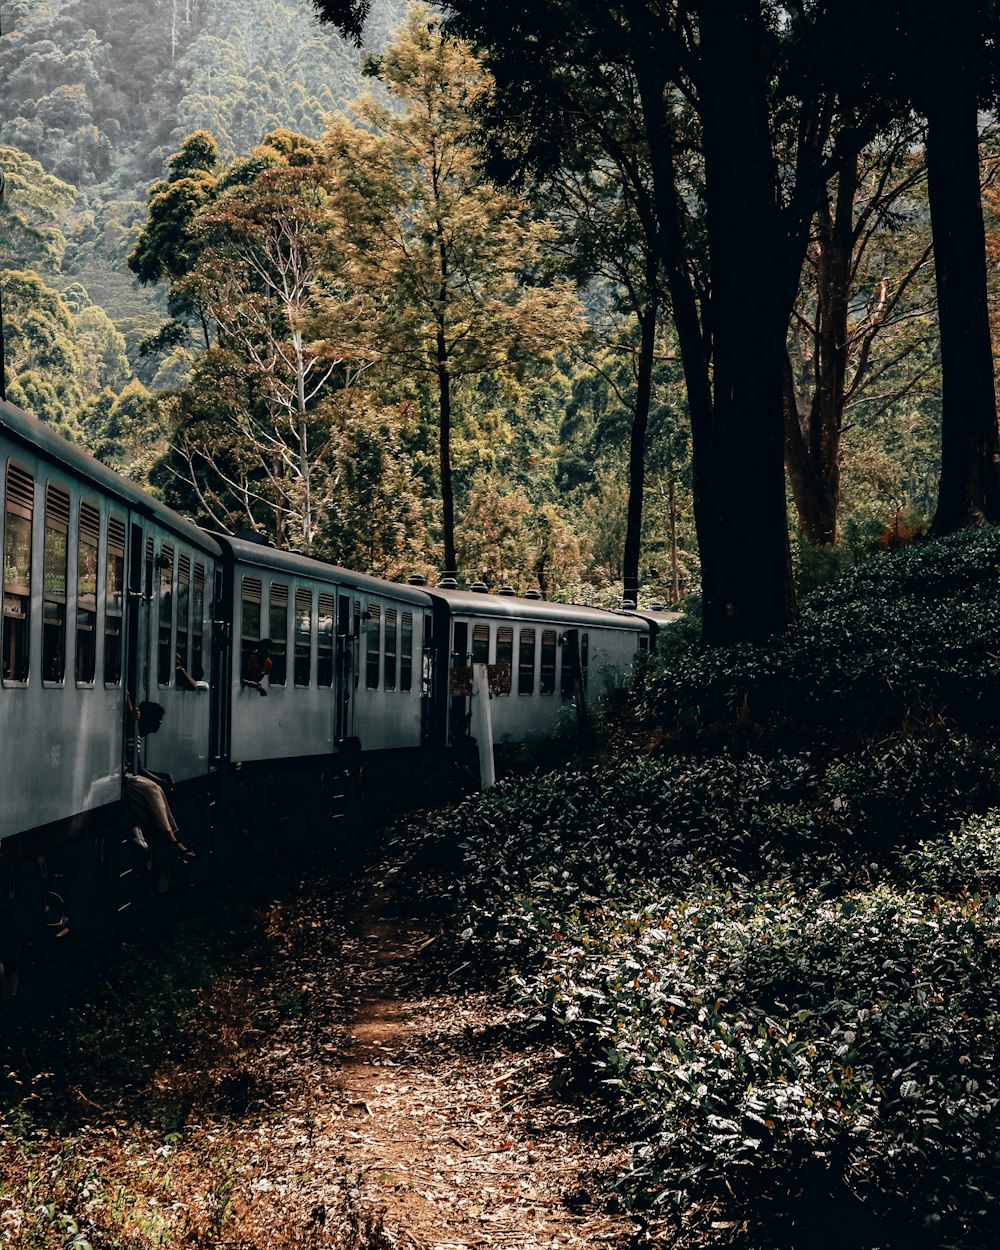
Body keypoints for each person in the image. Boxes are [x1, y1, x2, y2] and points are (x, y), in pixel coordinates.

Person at [124, 694, 195, 860]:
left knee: (158, 790)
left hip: (129, 774)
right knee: (153, 788)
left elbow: (138, 767)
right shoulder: (134, 733)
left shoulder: (137, 734)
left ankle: (170, 835)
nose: (160, 723)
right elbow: (138, 769)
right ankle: (171, 840)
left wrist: (162, 777)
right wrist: (160, 779)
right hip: (125, 776)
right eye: (158, 718)